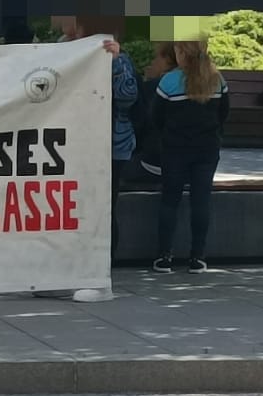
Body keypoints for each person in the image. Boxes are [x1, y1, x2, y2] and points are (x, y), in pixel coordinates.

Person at [58, 15, 137, 303]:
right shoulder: (62, 49)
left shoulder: (117, 57)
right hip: (73, 144)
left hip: (109, 146)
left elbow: (129, 96)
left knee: (102, 206)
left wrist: (114, 64)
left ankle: (101, 271)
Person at [150, 38, 229, 273]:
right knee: (201, 201)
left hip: (175, 149)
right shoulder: (217, 79)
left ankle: (164, 256)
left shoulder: (170, 81)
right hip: (207, 149)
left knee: (170, 201)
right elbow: (224, 113)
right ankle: (198, 256)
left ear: (182, 52)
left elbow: (156, 117)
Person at [131, 41, 177, 187]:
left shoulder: (154, 87)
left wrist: (148, 82)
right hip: (190, 168)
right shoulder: (200, 85)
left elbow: (139, 125)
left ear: (166, 60)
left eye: (155, 58)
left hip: (154, 164)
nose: (153, 62)